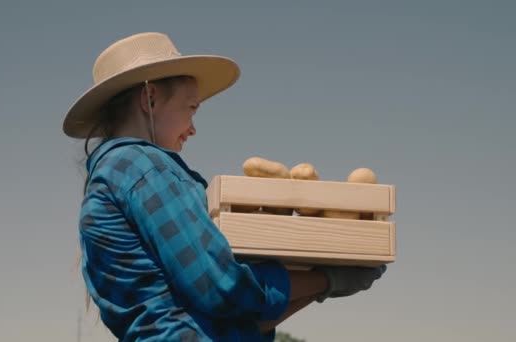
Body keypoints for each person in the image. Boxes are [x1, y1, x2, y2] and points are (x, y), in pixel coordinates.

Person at [63, 32, 387, 341]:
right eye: (191, 108)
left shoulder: (110, 177)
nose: (193, 129)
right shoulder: (143, 166)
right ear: (149, 98)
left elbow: (235, 319)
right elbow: (220, 287)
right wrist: (328, 278)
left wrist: (324, 285)